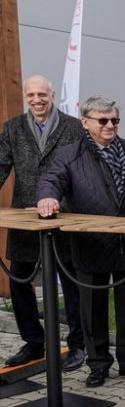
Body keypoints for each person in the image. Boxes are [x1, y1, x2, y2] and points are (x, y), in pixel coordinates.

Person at [36, 96, 125, 387]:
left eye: (114, 120)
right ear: (85, 122)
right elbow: (51, 180)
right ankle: (98, 364)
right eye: (103, 120)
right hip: (90, 243)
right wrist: (47, 197)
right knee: (92, 307)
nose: (110, 125)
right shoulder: (69, 155)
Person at [0, 75, 85, 370]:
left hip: (64, 218)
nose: (37, 100)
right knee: (18, 281)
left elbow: (81, 172)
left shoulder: (74, 127)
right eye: (31, 94)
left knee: (73, 283)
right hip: (25, 221)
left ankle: (78, 344)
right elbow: (1, 166)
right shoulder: (12, 128)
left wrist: (60, 201)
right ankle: (34, 342)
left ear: (52, 95)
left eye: (42, 95)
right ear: (25, 95)